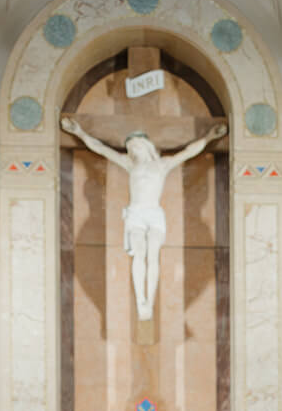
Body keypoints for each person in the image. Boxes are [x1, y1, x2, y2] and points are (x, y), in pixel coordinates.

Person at [60, 114, 227, 320]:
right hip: (136, 214)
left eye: (135, 147)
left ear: (145, 145)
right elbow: (100, 148)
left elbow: (189, 152)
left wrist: (210, 136)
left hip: (154, 213)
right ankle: (141, 301)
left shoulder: (162, 165)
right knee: (139, 253)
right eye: (129, 149)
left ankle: (150, 298)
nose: (132, 151)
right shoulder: (131, 165)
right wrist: (79, 132)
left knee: (153, 255)